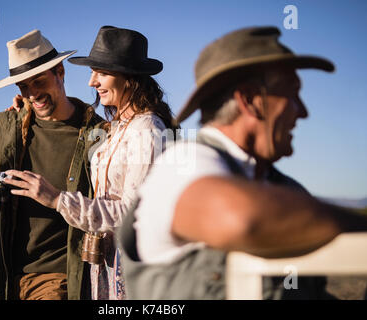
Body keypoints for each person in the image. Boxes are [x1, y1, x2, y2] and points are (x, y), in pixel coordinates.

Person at [118, 26, 367, 299]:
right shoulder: (182, 164)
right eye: (292, 94)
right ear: (250, 101)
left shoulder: (288, 190)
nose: (303, 111)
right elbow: (242, 220)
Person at [4, 26, 176, 300]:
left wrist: (58, 200)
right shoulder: (118, 127)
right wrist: (26, 104)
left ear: (129, 77)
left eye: (102, 73)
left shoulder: (148, 130)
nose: (91, 82)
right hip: (105, 269)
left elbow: (135, 214)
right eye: (92, 72)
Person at [0, 29, 104, 300]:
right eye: (24, 86)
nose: (32, 93)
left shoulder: (97, 134)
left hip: (58, 277)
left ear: (60, 72)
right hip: (1, 272)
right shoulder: (2, 126)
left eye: (38, 81)